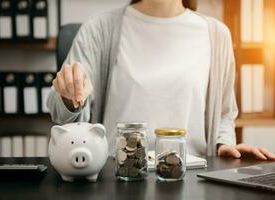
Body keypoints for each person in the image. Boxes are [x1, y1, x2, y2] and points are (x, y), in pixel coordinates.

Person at [47, 0, 275, 160]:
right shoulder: (99, 29)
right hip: (118, 175)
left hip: (193, 176)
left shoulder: (217, 35)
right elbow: (62, 115)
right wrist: (69, 98)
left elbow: (225, 114)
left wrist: (223, 145)